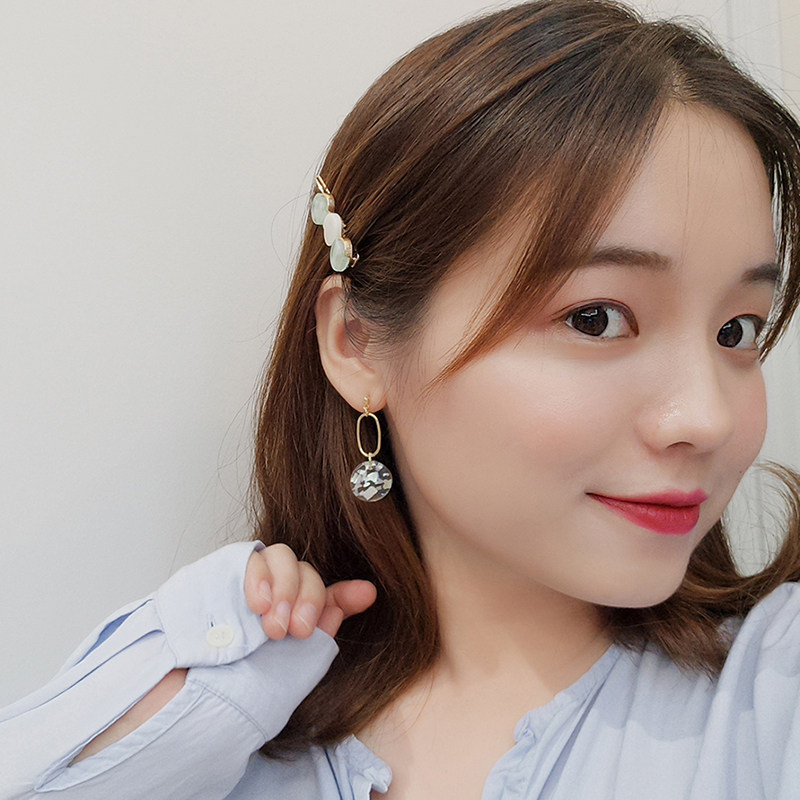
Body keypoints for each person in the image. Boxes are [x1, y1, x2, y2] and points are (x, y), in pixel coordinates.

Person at [3, 0, 800, 797]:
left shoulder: (773, 694)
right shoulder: (223, 738)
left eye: (737, 331)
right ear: (355, 342)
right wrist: (193, 684)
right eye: (596, 318)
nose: (708, 418)